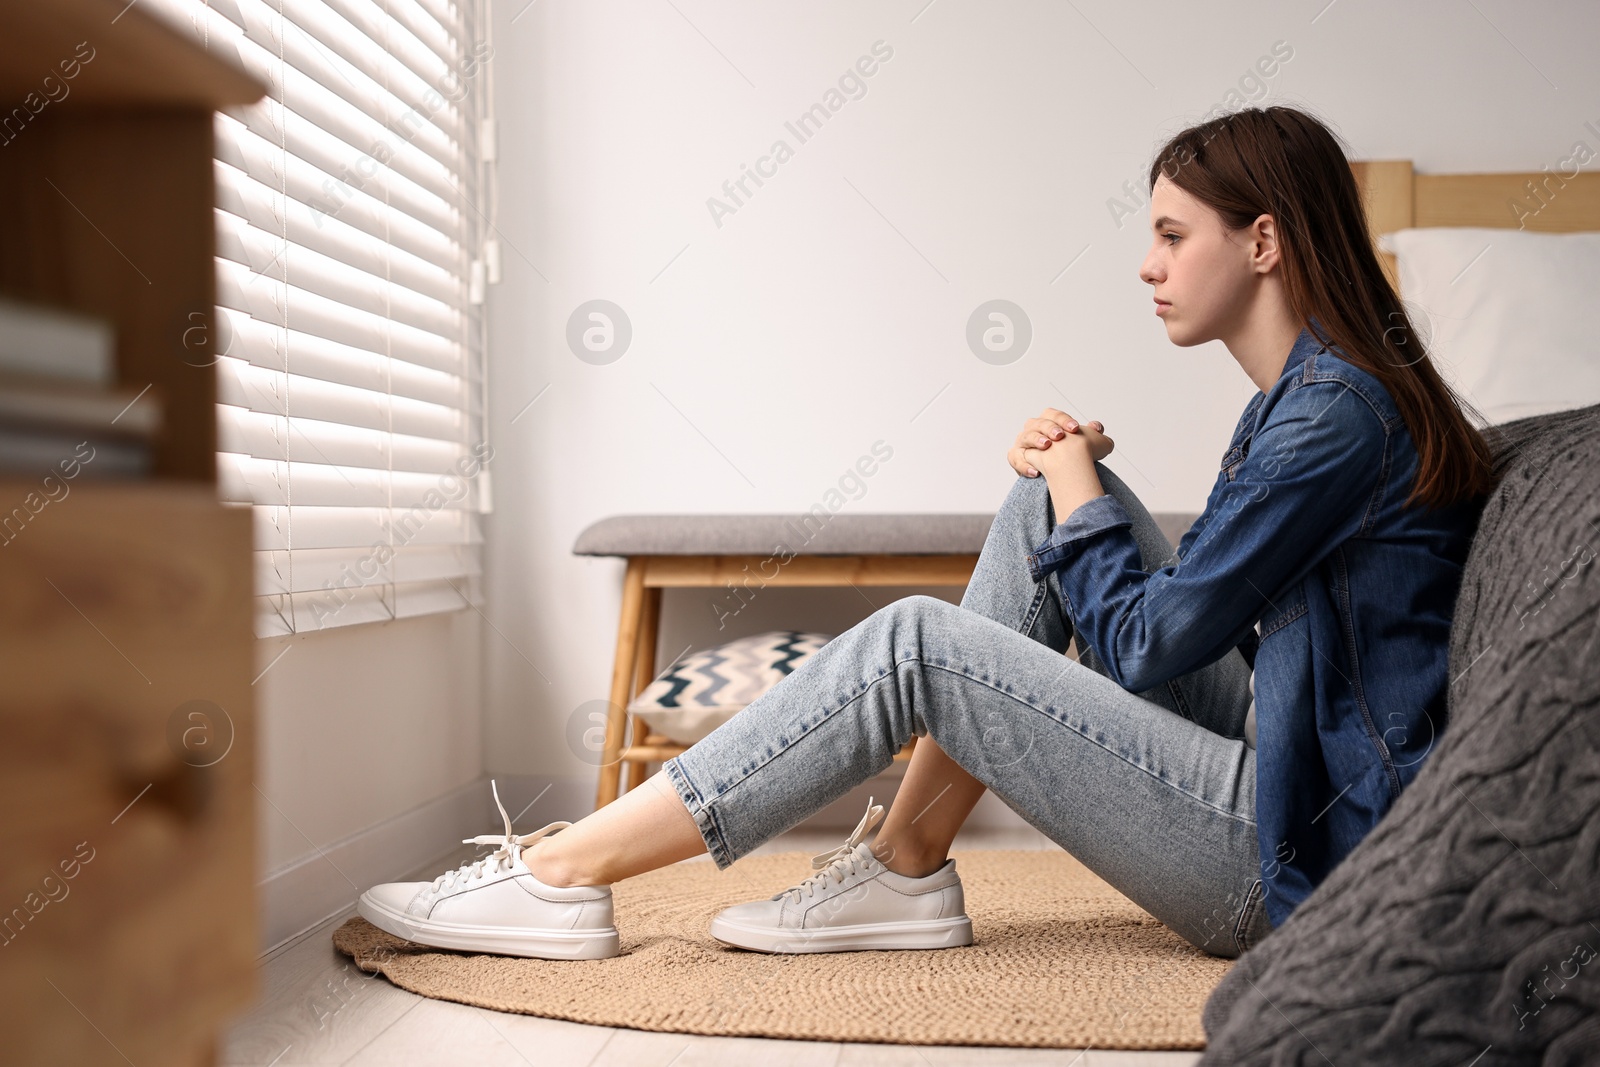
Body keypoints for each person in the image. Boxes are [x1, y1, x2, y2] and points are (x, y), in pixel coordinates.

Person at [358, 105, 1497, 963]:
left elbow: (1151, 646)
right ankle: (904, 868)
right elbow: (1203, 628)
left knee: (918, 639)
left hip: (1296, 852)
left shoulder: (1334, 418)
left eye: (1168, 234)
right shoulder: (1311, 395)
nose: (1146, 266)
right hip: (1286, 759)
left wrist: (1070, 482)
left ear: (1262, 242)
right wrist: (1064, 491)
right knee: (1041, 502)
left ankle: (564, 870)